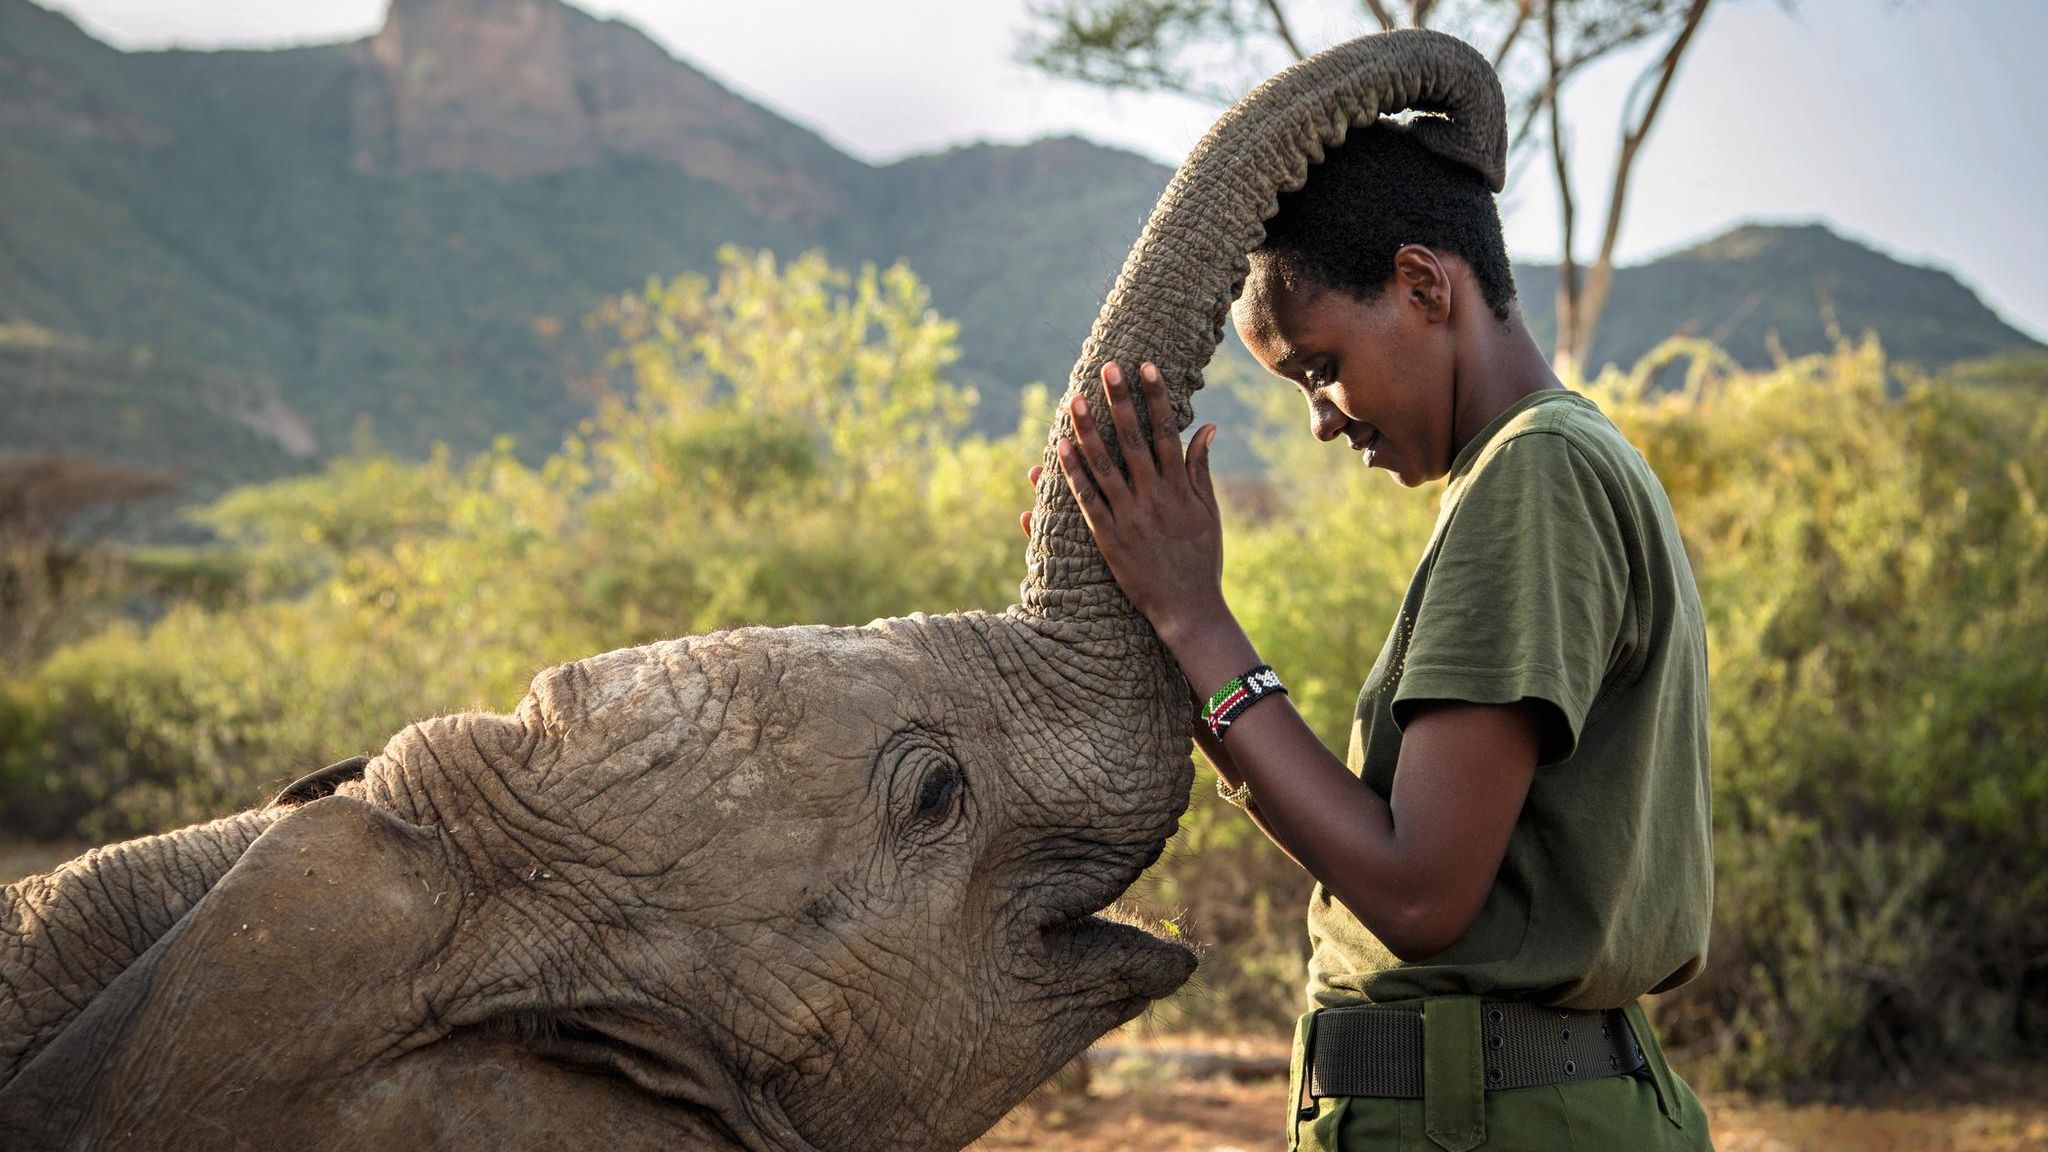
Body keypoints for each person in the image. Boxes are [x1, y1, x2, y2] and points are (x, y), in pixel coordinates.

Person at [1026, 121, 1715, 1150]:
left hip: (1493, 1120)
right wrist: (1163, 619)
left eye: (1320, 367)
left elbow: (1417, 890)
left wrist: (1194, 615)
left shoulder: (1535, 475)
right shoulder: (1543, 465)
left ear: (1422, 286)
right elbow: (1385, 849)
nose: (1321, 420)